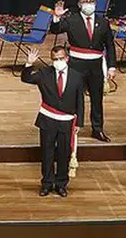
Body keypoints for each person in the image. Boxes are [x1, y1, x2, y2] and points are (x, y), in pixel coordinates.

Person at [50, 0, 117, 142]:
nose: (88, 4)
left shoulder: (103, 22)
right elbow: (55, 30)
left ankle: (97, 129)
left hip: (96, 65)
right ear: (80, 5)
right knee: (75, 97)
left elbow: (110, 46)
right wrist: (57, 17)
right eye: (85, 1)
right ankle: (73, 126)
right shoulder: (71, 19)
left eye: (91, 1)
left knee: (97, 98)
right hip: (76, 64)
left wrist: (112, 66)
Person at [21, 45, 84, 197]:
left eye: (61, 58)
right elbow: (26, 78)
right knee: (47, 153)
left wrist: (79, 123)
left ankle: (61, 184)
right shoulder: (44, 73)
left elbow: (80, 101)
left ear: (67, 58)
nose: (58, 61)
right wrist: (29, 64)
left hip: (66, 121)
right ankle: (47, 183)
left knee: (64, 153)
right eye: (55, 59)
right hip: (48, 119)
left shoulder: (77, 76)